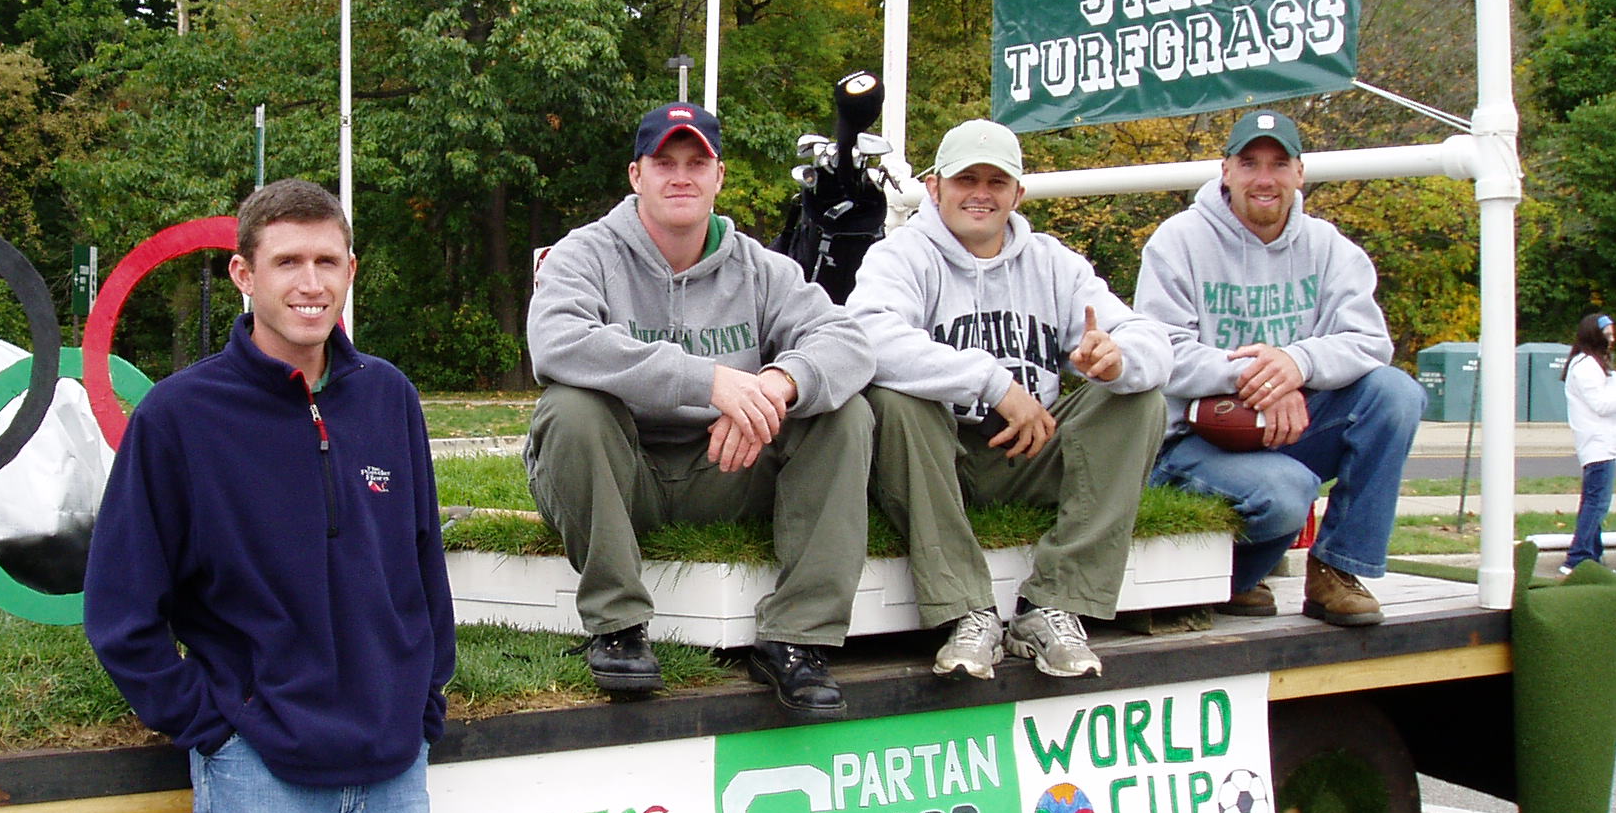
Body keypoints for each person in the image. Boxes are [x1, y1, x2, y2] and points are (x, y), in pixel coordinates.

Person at [85, 179, 466, 813]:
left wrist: (422, 691)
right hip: (262, 773)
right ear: (242, 275)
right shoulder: (180, 420)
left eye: (327, 261)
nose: (309, 281)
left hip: (386, 773)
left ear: (351, 272)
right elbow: (121, 609)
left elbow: (422, 563)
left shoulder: (385, 397)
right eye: (287, 262)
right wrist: (212, 726)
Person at [525, 102, 876, 717]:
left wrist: (776, 384)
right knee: (570, 407)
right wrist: (708, 380)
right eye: (664, 162)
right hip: (616, 475)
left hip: (725, 470)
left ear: (719, 177)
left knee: (846, 413)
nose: (680, 176)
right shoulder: (586, 254)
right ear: (637, 175)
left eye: (697, 162)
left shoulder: (763, 269)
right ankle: (617, 625)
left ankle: (797, 638)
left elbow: (846, 342)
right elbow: (557, 340)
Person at [849, 118, 1170, 680]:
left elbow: (1150, 338)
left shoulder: (1054, 263)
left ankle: (1055, 603)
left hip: (1032, 449)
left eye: (996, 182)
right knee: (893, 401)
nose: (981, 193)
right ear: (934, 187)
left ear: (1018, 193)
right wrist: (993, 383)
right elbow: (868, 338)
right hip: (938, 455)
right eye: (965, 179)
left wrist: (1117, 358)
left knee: (1140, 399)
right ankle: (967, 611)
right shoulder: (901, 256)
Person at [1136, 108, 1424, 626]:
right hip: (1194, 440)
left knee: (1395, 394)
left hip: (1284, 428)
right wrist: (1260, 376)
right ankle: (1233, 575)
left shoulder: (1330, 247)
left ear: (1299, 173)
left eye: (1278, 163)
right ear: (1225, 170)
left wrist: (1298, 362)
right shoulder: (1177, 241)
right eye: (1249, 163)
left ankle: (1336, 568)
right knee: (1289, 492)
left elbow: (1369, 341)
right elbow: (1163, 352)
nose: (1263, 179)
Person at [1560, 311, 1616, 574]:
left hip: (1606, 443)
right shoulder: (1585, 367)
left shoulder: (1597, 364)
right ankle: (1577, 558)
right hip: (1598, 443)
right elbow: (1601, 404)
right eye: (1607, 333)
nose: (1612, 338)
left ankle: (1591, 557)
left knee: (1596, 502)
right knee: (1596, 503)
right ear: (1594, 334)